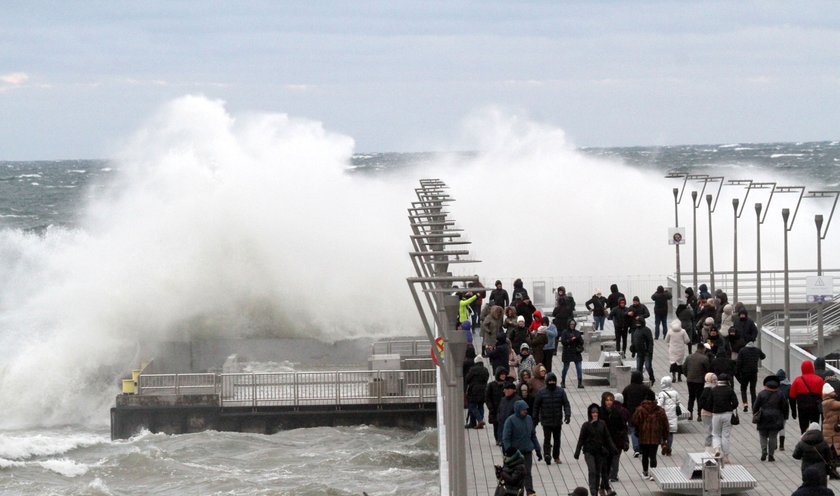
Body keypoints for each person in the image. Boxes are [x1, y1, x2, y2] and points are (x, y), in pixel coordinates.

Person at [574, 403, 618, 496]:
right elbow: (581, 439)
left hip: (599, 451)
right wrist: (577, 451)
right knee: (592, 470)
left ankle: (596, 491)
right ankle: (593, 491)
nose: (595, 414)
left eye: (596, 413)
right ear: (590, 414)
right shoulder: (586, 425)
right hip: (589, 451)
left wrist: (613, 448)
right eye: (593, 413)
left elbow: (607, 437)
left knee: (598, 472)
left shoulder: (602, 424)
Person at [502, 399, 541, 495]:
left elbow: (533, 435)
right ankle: (517, 491)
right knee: (516, 474)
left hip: (527, 451)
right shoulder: (510, 420)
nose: (525, 411)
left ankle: (529, 491)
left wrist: (538, 449)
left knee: (527, 472)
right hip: (515, 454)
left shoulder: (529, 419)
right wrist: (508, 450)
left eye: (526, 409)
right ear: (518, 409)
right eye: (523, 409)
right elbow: (506, 437)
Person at [532, 372, 571, 465]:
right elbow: (536, 406)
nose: (551, 382)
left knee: (557, 440)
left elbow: (566, 404)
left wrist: (568, 415)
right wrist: (535, 418)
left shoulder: (561, 391)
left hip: (557, 421)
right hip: (546, 421)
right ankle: (547, 455)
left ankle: (556, 456)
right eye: (550, 381)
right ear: (546, 381)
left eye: (553, 381)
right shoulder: (541, 392)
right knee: (547, 439)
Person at [753, 374, 789, 462]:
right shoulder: (780, 394)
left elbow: (755, 406)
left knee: (762, 435)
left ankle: (764, 450)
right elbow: (785, 406)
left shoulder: (761, 394)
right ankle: (771, 455)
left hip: (763, 417)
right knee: (773, 436)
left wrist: (755, 414)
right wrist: (785, 416)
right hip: (776, 417)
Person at [631, 399, 669, 481]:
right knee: (653, 455)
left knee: (644, 455)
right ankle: (653, 473)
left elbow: (634, 421)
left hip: (643, 436)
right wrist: (665, 437)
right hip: (655, 436)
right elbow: (665, 424)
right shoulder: (660, 410)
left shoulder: (640, 409)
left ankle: (645, 472)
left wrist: (637, 431)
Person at [622, 370, 656, 457]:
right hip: (643, 413)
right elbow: (652, 396)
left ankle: (636, 449)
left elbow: (623, 401)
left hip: (631, 413)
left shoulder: (627, 388)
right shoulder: (645, 388)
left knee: (633, 430)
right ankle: (643, 447)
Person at [710, 372, 739, 464]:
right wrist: (730, 407)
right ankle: (726, 457)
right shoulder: (730, 390)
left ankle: (717, 449)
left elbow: (708, 402)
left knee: (715, 434)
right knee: (725, 435)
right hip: (727, 414)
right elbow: (735, 403)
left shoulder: (713, 390)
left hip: (716, 415)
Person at [791, 360, 827, 434]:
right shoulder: (819, 380)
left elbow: (792, 396)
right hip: (815, 408)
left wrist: (793, 411)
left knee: (803, 428)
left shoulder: (797, 380)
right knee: (815, 426)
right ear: (812, 368)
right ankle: (814, 441)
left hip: (802, 408)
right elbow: (824, 395)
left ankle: (804, 441)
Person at [601, 392, 630, 483]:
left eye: (611, 400)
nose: (609, 402)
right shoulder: (600, 412)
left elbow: (623, 427)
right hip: (604, 440)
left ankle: (613, 475)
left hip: (617, 439)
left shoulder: (617, 412)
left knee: (615, 457)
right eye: (607, 400)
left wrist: (625, 440)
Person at [735, 341, 766, 412]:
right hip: (754, 372)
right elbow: (763, 356)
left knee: (743, 388)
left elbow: (739, 363)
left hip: (744, 373)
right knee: (753, 389)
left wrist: (737, 371)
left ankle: (745, 404)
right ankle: (754, 406)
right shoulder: (757, 350)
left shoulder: (742, 350)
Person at [684, 344, 711, 421]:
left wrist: (688, 375)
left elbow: (684, 367)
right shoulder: (704, 358)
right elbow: (708, 369)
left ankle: (690, 414)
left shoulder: (689, 357)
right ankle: (699, 415)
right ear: (703, 349)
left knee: (691, 397)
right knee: (700, 398)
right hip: (700, 381)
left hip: (690, 380)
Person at [486, 367, 510, 445]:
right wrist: (491, 408)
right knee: (496, 425)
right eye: (501, 374)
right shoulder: (491, 385)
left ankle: (503, 439)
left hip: (505, 409)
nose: (503, 376)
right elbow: (487, 397)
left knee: (505, 425)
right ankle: (498, 439)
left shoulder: (507, 384)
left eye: (504, 374)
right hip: (495, 409)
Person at [657, 375, 681, 453]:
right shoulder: (675, 392)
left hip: (664, 415)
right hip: (673, 415)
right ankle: (669, 448)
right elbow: (678, 402)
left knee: (661, 431)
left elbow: (659, 404)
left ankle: (663, 444)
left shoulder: (662, 393)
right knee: (670, 433)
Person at [464, 356, 490, 429]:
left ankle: (479, 420)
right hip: (484, 390)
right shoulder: (485, 370)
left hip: (474, 390)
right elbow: (487, 378)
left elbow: (467, 379)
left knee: (472, 405)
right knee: (480, 405)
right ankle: (475, 423)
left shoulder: (472, 370)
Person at [821, 383, 840, 478]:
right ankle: (832, 472)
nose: (834, 392)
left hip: (830, 430)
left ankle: (832, 472)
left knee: (833, 452)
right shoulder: (830, 402)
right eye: (832, 391)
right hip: (832, 431)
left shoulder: (827, 401)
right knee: (833, 452)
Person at [560, 320, 585, 388]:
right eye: (571, 324)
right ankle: (563, 381)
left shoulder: (577, 332)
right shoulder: (565, 332)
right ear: (568, 324)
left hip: (576, 352)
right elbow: (563, 342)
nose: (572, 325)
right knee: (565, 368)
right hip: (567, 352)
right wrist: (571, 340)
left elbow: (581, 342)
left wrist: (577, 339)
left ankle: (580, 382)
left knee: (579, 368)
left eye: (573, 324)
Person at [631, 315, 655, 384]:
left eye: (639, 322)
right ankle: (639, 381)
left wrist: (649, 350)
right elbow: (634, 341)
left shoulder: (647, 330)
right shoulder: (636, 330)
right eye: (637, 322)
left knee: (648, 366)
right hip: (639, 352)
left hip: (646, 352)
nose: (637, 323)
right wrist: (633, 350)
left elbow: (650, 341)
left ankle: (652, 378)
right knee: (639, 368)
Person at [699, 372, 718, 452]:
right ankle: (708, 449)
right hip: (707, 414)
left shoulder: (715, 388)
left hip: (713, 413)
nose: (715, 381)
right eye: (713, 379)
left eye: (716, 379)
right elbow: (702, 403)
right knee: (709, 432)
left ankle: (714, 448)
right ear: (708, 380)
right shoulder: (707, 389)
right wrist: (711, 409)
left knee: (714, 432)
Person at [779, 368, 793, 451]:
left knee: (774, 426)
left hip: (775, 407)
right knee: (782, 427)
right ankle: (781, 445)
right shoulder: (789, 386)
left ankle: (773, 443)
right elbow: (791, 399)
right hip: (785, 408)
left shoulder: (774, 385)